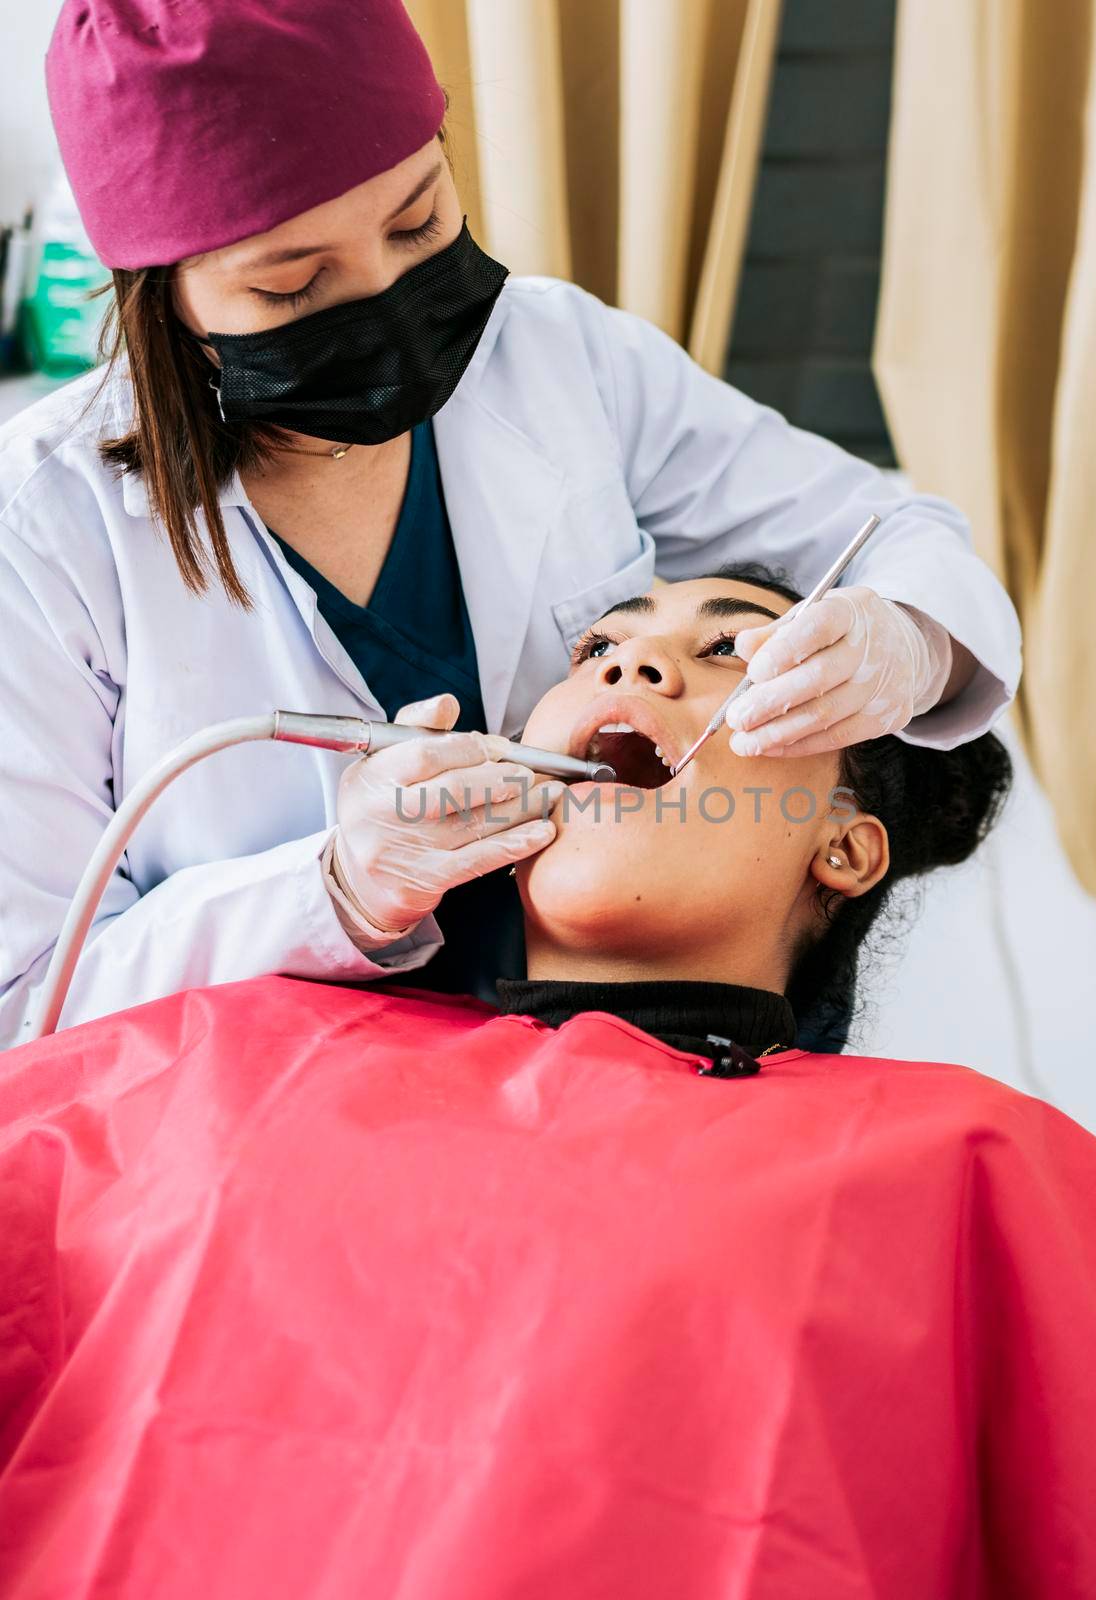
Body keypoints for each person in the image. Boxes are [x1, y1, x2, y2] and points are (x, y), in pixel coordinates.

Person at [0, 570, 1096, 1599]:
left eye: (733, 652)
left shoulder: (963, 1157)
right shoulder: (216, 1051)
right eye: (601, 644)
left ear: (849, 845)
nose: (637, 670)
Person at [0, 0, 1020, 1051]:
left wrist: (911, 642)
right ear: (159, 297)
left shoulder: (557, 361)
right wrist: (335, 891)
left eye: (418, 222)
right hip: (253, 1142)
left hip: (648, 1090)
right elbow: (29, 1002)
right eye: (291, 284)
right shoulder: (41, 532)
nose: (389, 293)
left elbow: (893, 538)